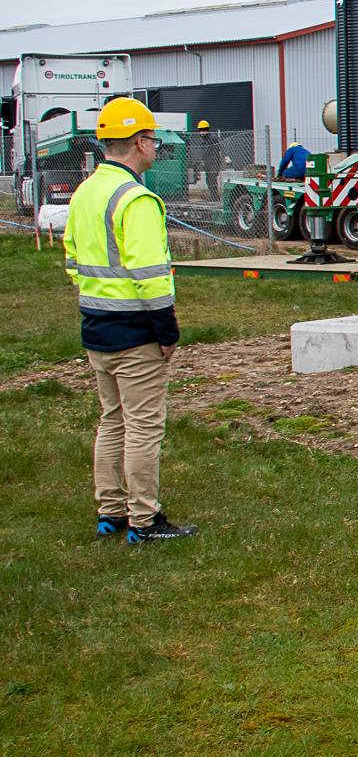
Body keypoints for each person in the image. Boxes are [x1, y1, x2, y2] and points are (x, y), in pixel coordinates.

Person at [63, 97, 194, 543]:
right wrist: (167, 331)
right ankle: (144, 518)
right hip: (135, 333)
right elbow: (151, 276)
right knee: (142, 426)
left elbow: (74, 259)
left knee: (111, 419)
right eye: (154, 140)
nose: (156, 147)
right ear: (140, 142)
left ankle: (110, 510)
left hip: (96, 328)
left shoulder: (85, 192)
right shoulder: (135, 198)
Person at [193, 119, 224, 197]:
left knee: (212, 179)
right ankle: (213, 196)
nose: (202, 132)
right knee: (209, 180)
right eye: (201, 130)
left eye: (204, 130)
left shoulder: (213, 138)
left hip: (214, 161)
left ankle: (215, 197)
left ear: (208, 130)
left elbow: (219, 147)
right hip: (207, 162)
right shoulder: (203, 140)